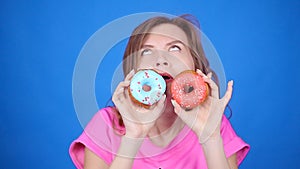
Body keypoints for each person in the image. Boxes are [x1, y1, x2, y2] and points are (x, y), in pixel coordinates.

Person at [69, 14, 250, 169]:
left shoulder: (215, 124)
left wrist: (210, 139)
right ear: (134, 71)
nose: (161, 59)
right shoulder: (105, 125)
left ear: (195, 66)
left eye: (175, 48)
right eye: (147, 52)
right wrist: (133, 137)